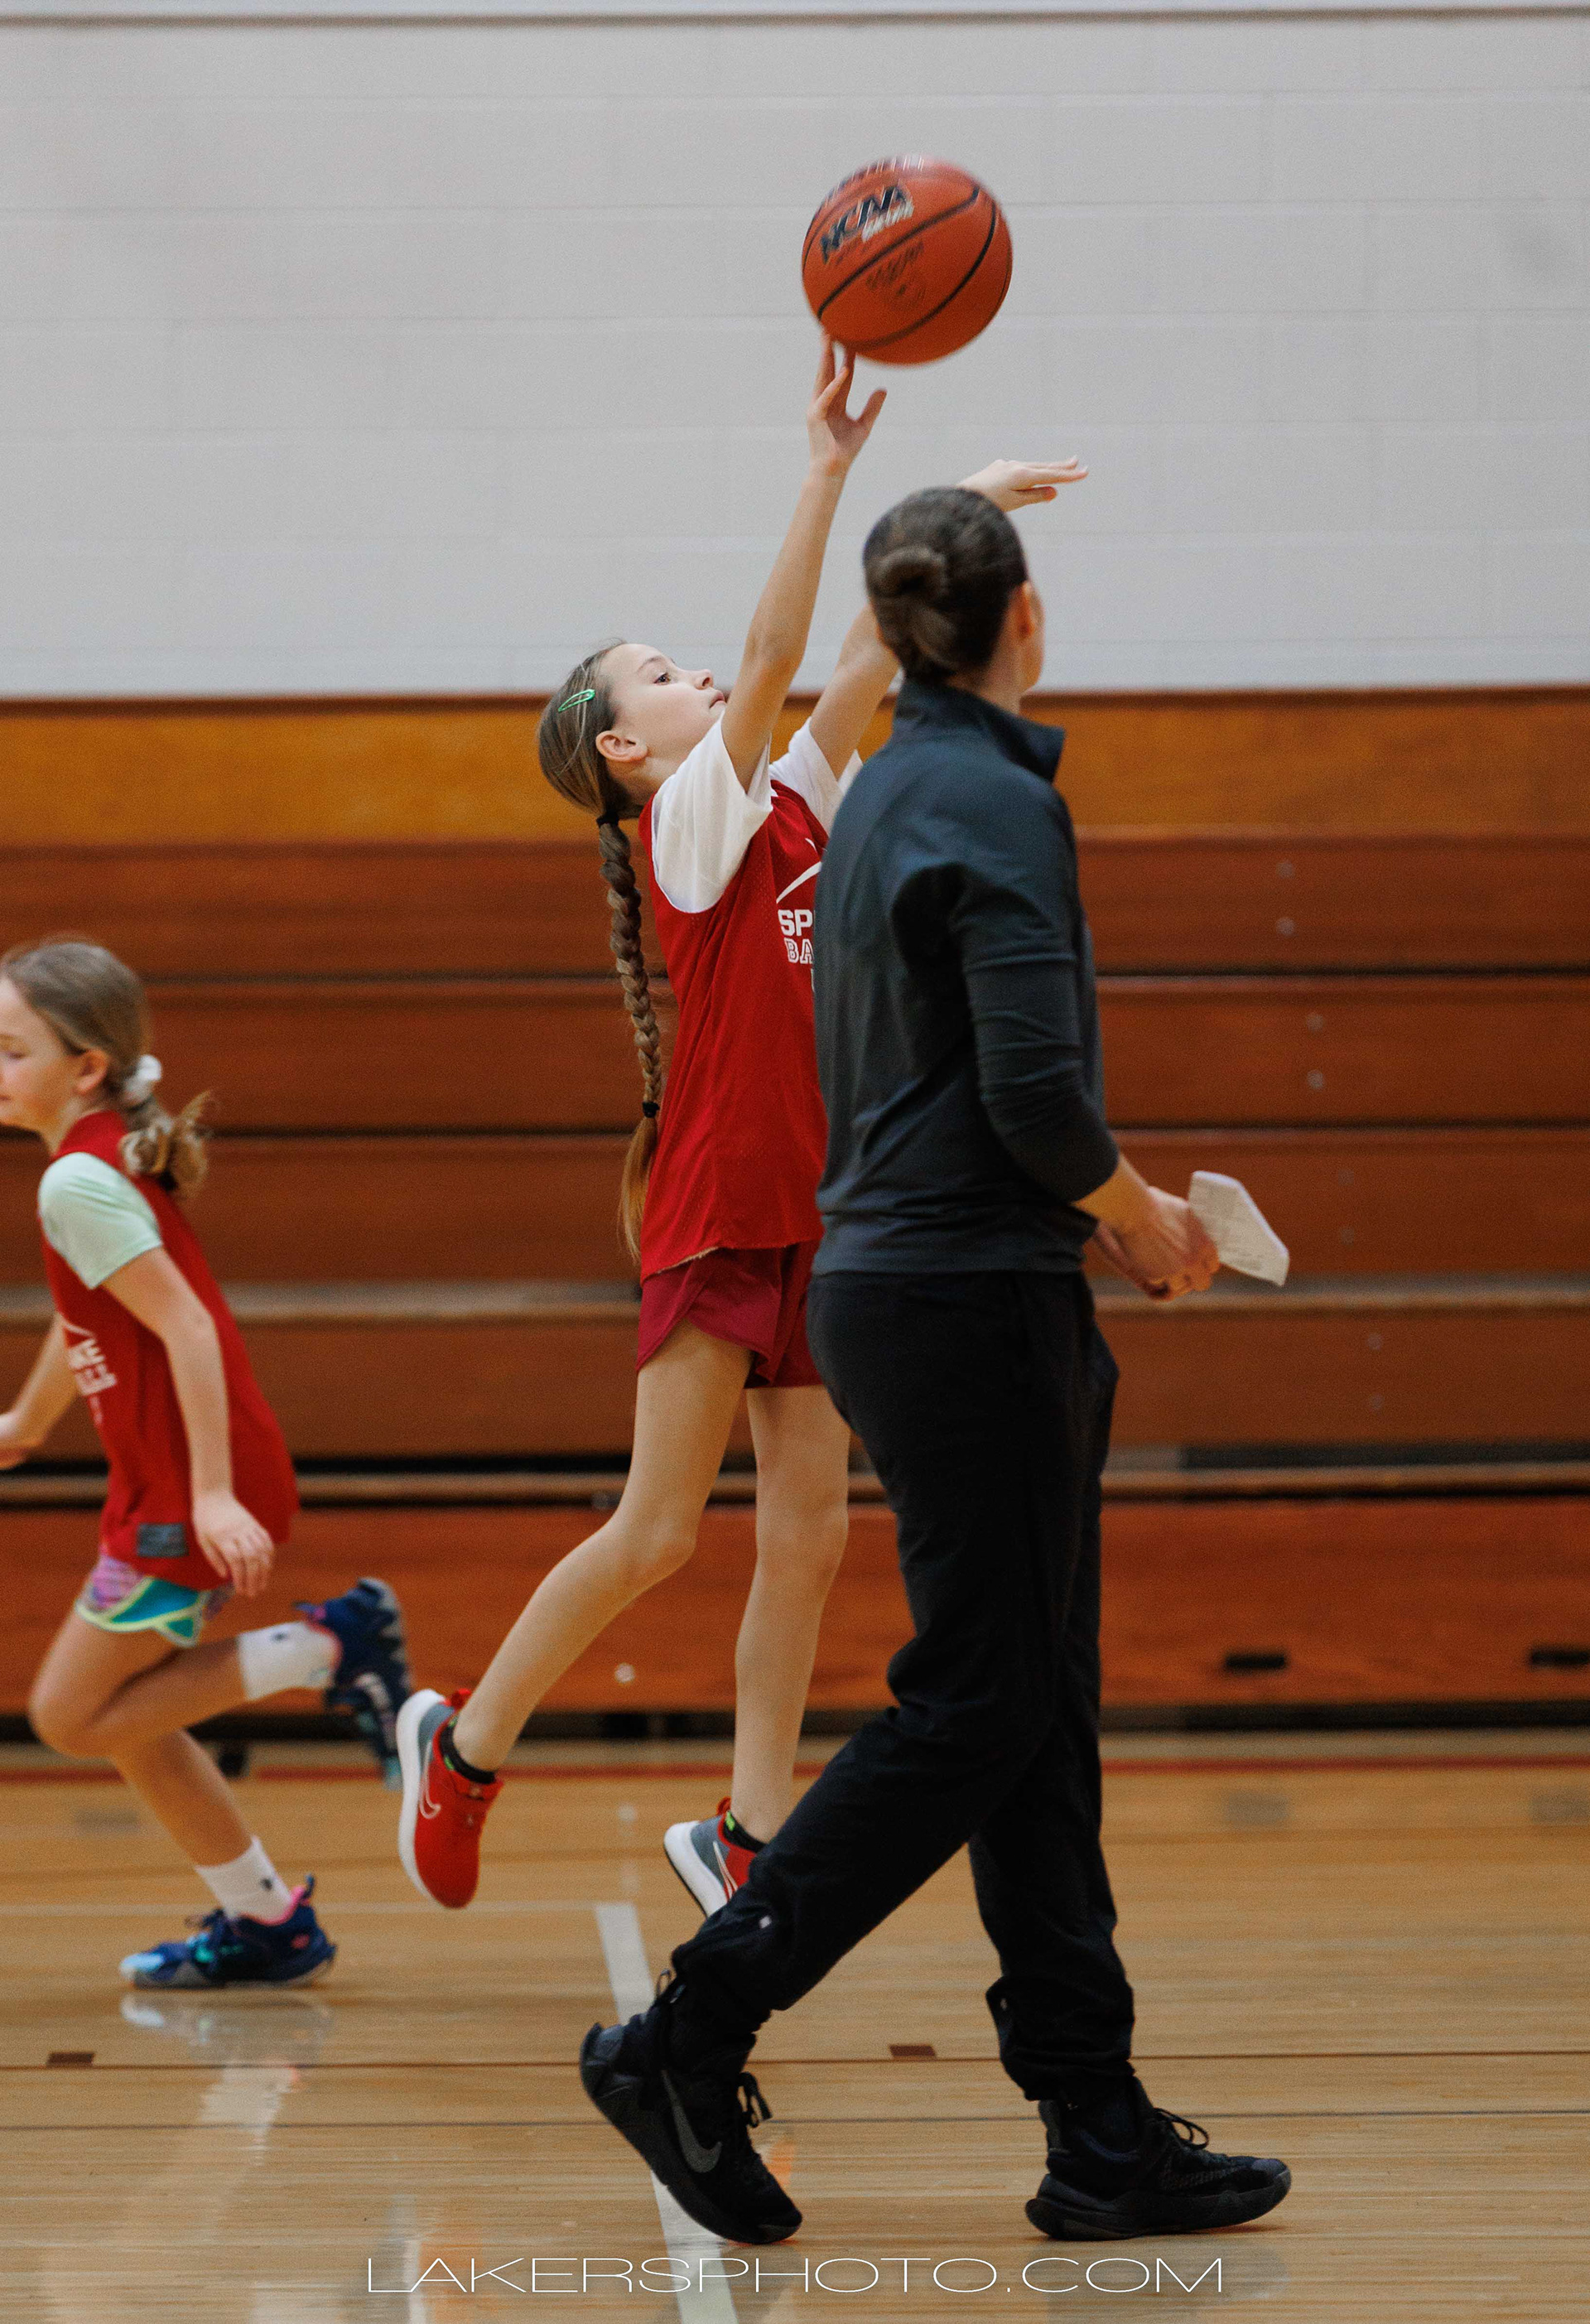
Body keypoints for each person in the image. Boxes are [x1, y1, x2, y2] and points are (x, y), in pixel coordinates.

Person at [577, 487, 1294, 2246]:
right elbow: (1038, 1095)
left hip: (898, 1276)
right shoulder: (980, 798)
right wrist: (1136, 1216)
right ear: (1026, 621)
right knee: (981, 1701)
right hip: (972, 1293)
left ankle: (1095, 2117)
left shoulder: (881, 791)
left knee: (1033, 1703)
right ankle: (688, 2032)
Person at [395, 340, 1085, 1920]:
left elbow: (856, 659)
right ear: (624, 750)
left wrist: (960, 507)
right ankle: (467, 1744)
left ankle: (748, 1828)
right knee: (656, 1532)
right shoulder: (687, 828)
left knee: (811, 1531)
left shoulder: (792, 805)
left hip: (823, 1214)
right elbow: (781, 648)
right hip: (719, 1205)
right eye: (658, 672)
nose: (694, 671)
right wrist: (829, 469)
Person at [0, 939, 411, 1989]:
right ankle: (267, 1922)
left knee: (68, 1714)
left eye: (11, 1049)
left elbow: (186, 1327)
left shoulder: (76, 1179)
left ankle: (330, 1643)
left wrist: (215, 1496)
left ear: (86, 1067)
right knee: (138, 1720)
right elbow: (95, 1316)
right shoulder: (93, 1160)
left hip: (185, 1492)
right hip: (167, 1481)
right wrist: (26, 1422)